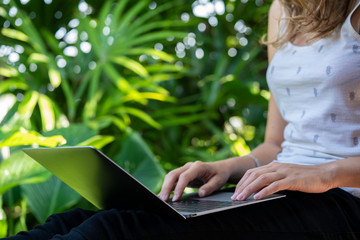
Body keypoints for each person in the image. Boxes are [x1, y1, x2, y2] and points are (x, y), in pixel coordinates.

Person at [6, 0, 360, 239]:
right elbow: (275, 144)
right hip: (277, 188)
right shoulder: (283, 10)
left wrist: (323, 174)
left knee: (115, 231)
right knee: (65, 223)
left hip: (344, 199)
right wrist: (224, 167)